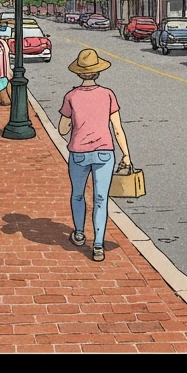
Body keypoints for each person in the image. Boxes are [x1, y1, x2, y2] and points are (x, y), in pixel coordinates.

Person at [58, 49, 132, 262]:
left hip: (79, 153)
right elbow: (117, 128)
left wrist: (76, 120)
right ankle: (98, 244)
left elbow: (63, 128)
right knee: (101, 198)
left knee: (78, 194)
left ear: (80, 73)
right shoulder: (108, 94)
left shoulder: (71, 96)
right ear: (97, 72)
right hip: (104, 153)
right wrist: (126, 155)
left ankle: (80, 233)